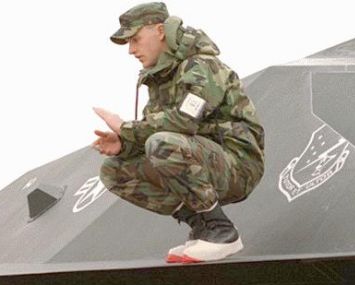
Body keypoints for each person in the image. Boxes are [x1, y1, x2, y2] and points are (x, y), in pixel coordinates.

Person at [92, 2, 265, 264]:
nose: (131, 50)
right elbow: (158, 132)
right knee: (114, 170)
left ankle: (223, 231)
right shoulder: (160, 78)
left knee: (162, 143)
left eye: (135, 39)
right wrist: (123, 145)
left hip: (237, 165)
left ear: (159, 31)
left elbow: (184, 122)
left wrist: (126, 128)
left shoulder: (201, 66)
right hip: (200, 160)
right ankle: (203, 226)